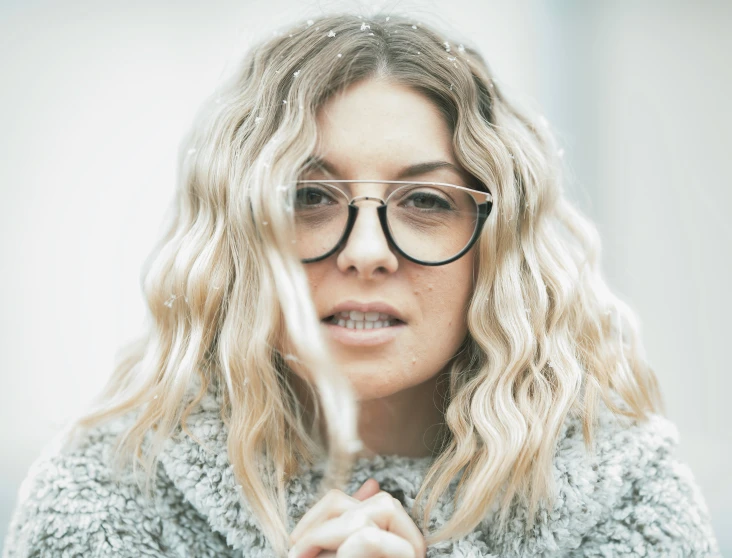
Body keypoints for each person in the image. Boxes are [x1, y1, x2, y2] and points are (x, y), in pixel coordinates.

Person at [2, 10, 721, 558]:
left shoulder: (623, 503)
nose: (368, 253)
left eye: (428, 202)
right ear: (239, 231)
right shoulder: (107, 499)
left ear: (498, 243)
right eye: (309, 198)